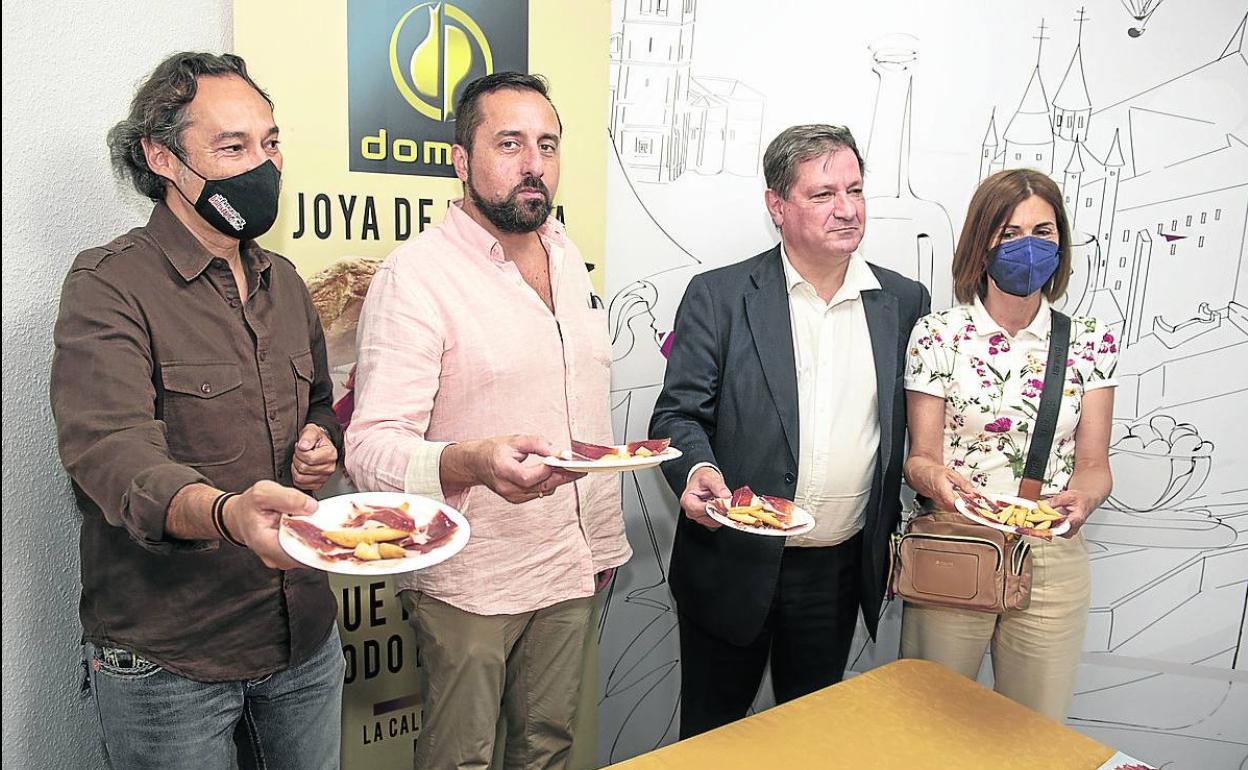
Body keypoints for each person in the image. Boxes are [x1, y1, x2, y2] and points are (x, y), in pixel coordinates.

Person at [50, 52, 344, 770]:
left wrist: (318, 442)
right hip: (171, 657)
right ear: (162, 156)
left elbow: (318, 404)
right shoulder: (108, 285)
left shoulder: (286, 283)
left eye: (271, 143)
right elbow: (112, 455)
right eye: (233, 147)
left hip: (302, 637)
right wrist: (226, 514)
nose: (263, 165)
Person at [345, 72, 630, 770]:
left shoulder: (567, 256)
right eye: (509, 143)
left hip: (572, 561)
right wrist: (470, 461)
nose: (534, 163)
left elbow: (578, 406)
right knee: (460, 762)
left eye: (547, 144)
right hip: (473, 577)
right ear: (460, 160)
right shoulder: (416, 277)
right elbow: (370, 446)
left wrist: (598, 545)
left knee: (548, 750)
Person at [650, 124, 930, 738]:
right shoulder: (719, 297)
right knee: (712, 740)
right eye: (823, 194)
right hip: (732, 564)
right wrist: (699, 472)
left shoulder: (904, 302)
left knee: (810, 743)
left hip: (836, 571)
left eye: (855, 190)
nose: (847, 209)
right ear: (777, 205)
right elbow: (677, 415)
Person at [900, 168, 1117, 720]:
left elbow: (1094, 465)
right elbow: (919, 460)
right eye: (1008, 231)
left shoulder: (1091, 340)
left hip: (1052, 556)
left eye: (1042, 232)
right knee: (932, 723)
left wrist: (1085, 499)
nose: (1027, 246)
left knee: (1034, 731)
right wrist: (937, 482)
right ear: (981, 241)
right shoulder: (937, 336)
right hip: (957, 545)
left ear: (1061, 244)